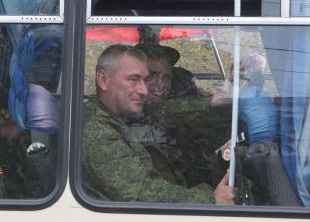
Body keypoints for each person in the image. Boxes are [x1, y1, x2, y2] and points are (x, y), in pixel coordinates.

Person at [82, 44, 236, 205]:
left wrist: (221, 96)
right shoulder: (96, 128)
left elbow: (167, 111)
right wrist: (210, 200)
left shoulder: (127, 116)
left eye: (145, 79)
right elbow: (139, 193)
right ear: (104, 80)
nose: (143, 90)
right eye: (134, 80)